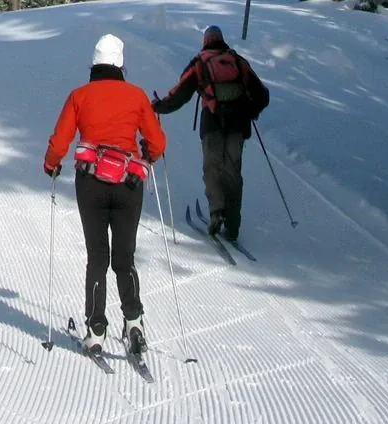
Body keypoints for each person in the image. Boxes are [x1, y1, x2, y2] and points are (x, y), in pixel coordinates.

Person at [43, 34, 167, 356]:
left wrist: (51, 164)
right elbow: (157, 144)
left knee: (97, 256)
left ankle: (96, 330)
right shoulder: (137, 96)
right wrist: (148, 154)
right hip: (128, 185)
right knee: (124, 257)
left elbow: (60, 141)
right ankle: (135, 321)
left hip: (91, 184)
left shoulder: (79, 96)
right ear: (120, 64)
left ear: (94, 63)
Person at [151, 25, 270, 243]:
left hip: (212, 123)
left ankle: (217, 213)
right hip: (238, 125)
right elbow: (262, 94)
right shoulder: (238, 62)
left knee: (212, 167)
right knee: (233, 171)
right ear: (221, 40)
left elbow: (180, 94)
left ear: (205, 41)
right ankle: (233, 224)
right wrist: (251, 111)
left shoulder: (200, 62)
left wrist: (159, 106)